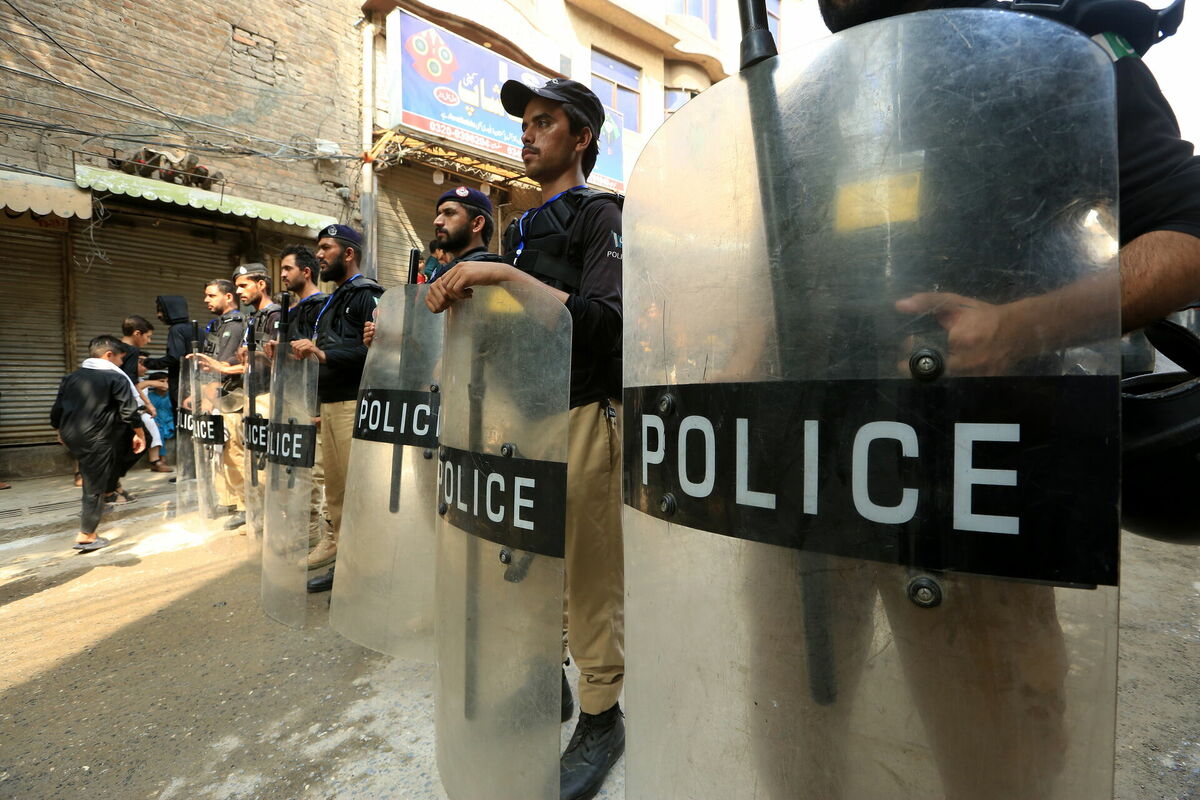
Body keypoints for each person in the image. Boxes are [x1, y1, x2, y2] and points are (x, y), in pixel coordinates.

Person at [426, 77, 625, 800]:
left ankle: (602, 715)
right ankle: (550, 686)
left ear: (583, 139)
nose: (528, 133)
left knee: (590, 576)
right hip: (523, 423)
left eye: (547, 122)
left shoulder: (601, 214)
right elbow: (510, 337)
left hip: (583, 414)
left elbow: (604, 323)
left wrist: (502, 274)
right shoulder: (523, 229)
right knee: (531, 567)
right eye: (525, 124)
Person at [291, 225, 384, 592]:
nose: (319, 255)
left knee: (357, 493)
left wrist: (323, 352)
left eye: (326, 248)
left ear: (349, 254)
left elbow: (380, 350)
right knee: (338, 493)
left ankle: (366, 573)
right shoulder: (333, 299)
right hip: (330, 406)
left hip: (354, 405)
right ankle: (347, 564)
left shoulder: (367, 294)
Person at [51, 335, 146, 552]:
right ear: (108, 355)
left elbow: (57, 408)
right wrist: (139, 433)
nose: (122, 364)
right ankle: (87, 534)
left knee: (95, 472)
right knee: (92, 482)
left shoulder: (71, 377)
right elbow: (129, 411)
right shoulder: (116, 378)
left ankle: (106, 494)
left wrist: (58, 430)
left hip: (72, 433)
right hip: (96, 436)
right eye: (121, 359)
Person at [193, 279, 248, 527]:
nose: (207, 300)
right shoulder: (217, 325)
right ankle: (228, 499)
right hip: (217, 396)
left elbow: (223, 368)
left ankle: (244, 505)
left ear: (228, 297)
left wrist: (207, 398)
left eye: (211, 295)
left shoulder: (235, 326)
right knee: (220, 453)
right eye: (206, 295)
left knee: (234, 451)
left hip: (230, 397)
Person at [120, 315, 171, 472]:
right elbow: (131, 383)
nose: (148, 341)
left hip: (118, 404)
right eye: (148, 336)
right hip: (124, 405)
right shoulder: (132, 351)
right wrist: (148, 404)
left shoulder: (115, 347)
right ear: (137, 333)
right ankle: (112, 482)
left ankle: (113, 483)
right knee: (143, 438)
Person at [143, 295, 192, 411]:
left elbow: (174, 358)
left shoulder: (176, 330)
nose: (158, 315)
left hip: (181, 385)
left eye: (161, 311)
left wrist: (148, 363)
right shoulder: (196, 328)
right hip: (196, 385)